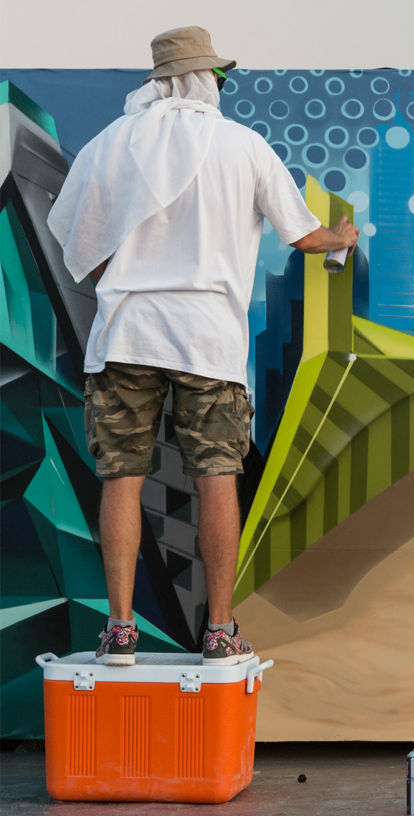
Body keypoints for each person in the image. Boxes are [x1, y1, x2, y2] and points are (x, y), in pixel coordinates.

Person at [48, 26, 358, 666]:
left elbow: (75, 237)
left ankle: (120, 631)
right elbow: (303, 238)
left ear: (160, 80)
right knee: (217, 479)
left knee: (121, 478)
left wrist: (124, 281)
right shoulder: (243, 145)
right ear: (205, 79)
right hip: (208, 340)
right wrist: (342, 237)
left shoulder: (111, 144)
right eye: (218, 75)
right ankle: (219, 632)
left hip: (126, 334)